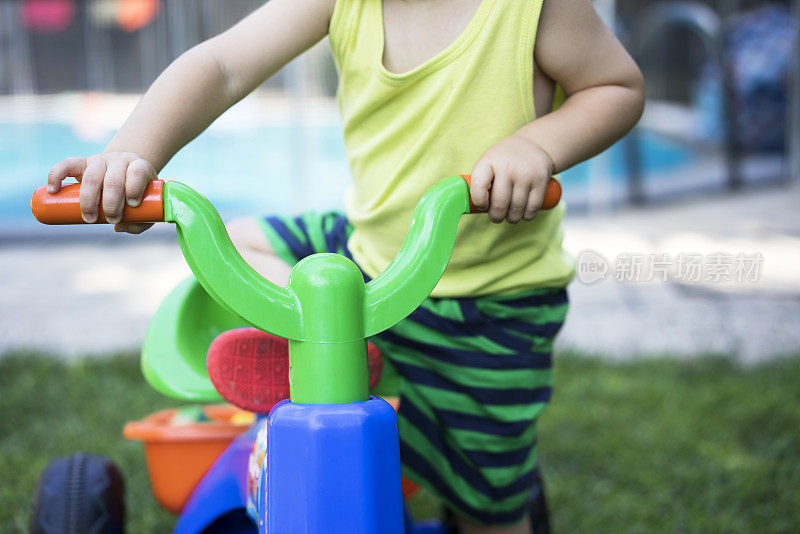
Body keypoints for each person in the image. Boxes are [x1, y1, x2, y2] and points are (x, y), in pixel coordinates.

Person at [46, 0, 644, 532]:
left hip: (489, 305)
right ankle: (323, 339)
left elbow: (616, 87)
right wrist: (133, 150)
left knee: (487, 503)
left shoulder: (535, 8)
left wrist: (536, 146)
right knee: (238, 241)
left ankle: (349, 360)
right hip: (362, 261)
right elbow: (224, 65)